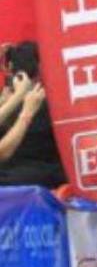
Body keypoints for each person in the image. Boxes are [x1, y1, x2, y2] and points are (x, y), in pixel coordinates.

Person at [0, 42, 64, 188]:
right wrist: (23, 108)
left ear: (9, 67)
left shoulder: (6, 101)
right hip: (44, 178)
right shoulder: (56, 104)